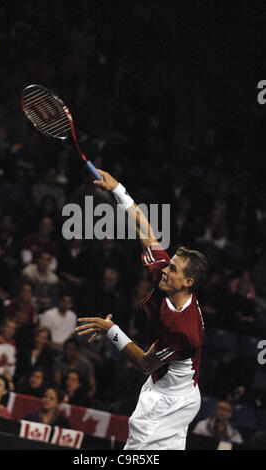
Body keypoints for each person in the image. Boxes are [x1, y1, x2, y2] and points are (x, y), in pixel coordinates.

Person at [76, 169, 208, 450]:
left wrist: (111, 330)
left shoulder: (183, 330)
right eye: (169, 262)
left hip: (167, 402)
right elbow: (142, 227)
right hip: (174, 389)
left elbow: (144, 364)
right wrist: (118, 188)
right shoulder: (168, 280)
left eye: (172, 268)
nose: (165, 268)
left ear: (187, 282)